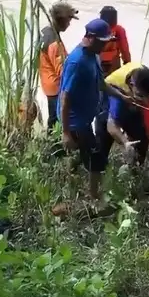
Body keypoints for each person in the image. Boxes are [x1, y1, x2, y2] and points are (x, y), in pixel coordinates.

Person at [58, 18, 115, 200]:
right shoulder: (77, 61)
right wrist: (66, 131)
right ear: (90, 38)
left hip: (86, 116)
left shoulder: (94, 55)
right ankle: (93, 197)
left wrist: (122, 96)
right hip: (76, 120)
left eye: (106, 42)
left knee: (79, 154)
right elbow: (65, 97)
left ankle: (72, 186)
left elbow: (101, 83)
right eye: (101, 42)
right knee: (95, 158)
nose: (104, 47)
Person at [98, 63, 149, 166]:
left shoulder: (145, 75)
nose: (144, 99)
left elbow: (145, 96)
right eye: (140, 95)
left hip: (129, 98)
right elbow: (111, 126)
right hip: (107, 101)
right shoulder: (118, 93)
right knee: (102, 146)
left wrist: (142, 100)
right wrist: (125, 142)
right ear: (132, 85)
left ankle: (137, 169)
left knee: (141, 140)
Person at [39, 1, 79, 131]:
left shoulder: (45, 32)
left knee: (53, 117)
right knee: (57, 119)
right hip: (55, 86)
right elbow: (62, 71)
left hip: (46, 81)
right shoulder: (54, 44)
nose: (69, 24)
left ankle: (51, 144)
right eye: (69, 20)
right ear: (61, 20)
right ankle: (54, 146)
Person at [98, 6, 132, 76]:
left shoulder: (95, 27)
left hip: (97, 61)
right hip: (113, 63)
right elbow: (124, 49)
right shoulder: (119, 29)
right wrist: (127, 64)